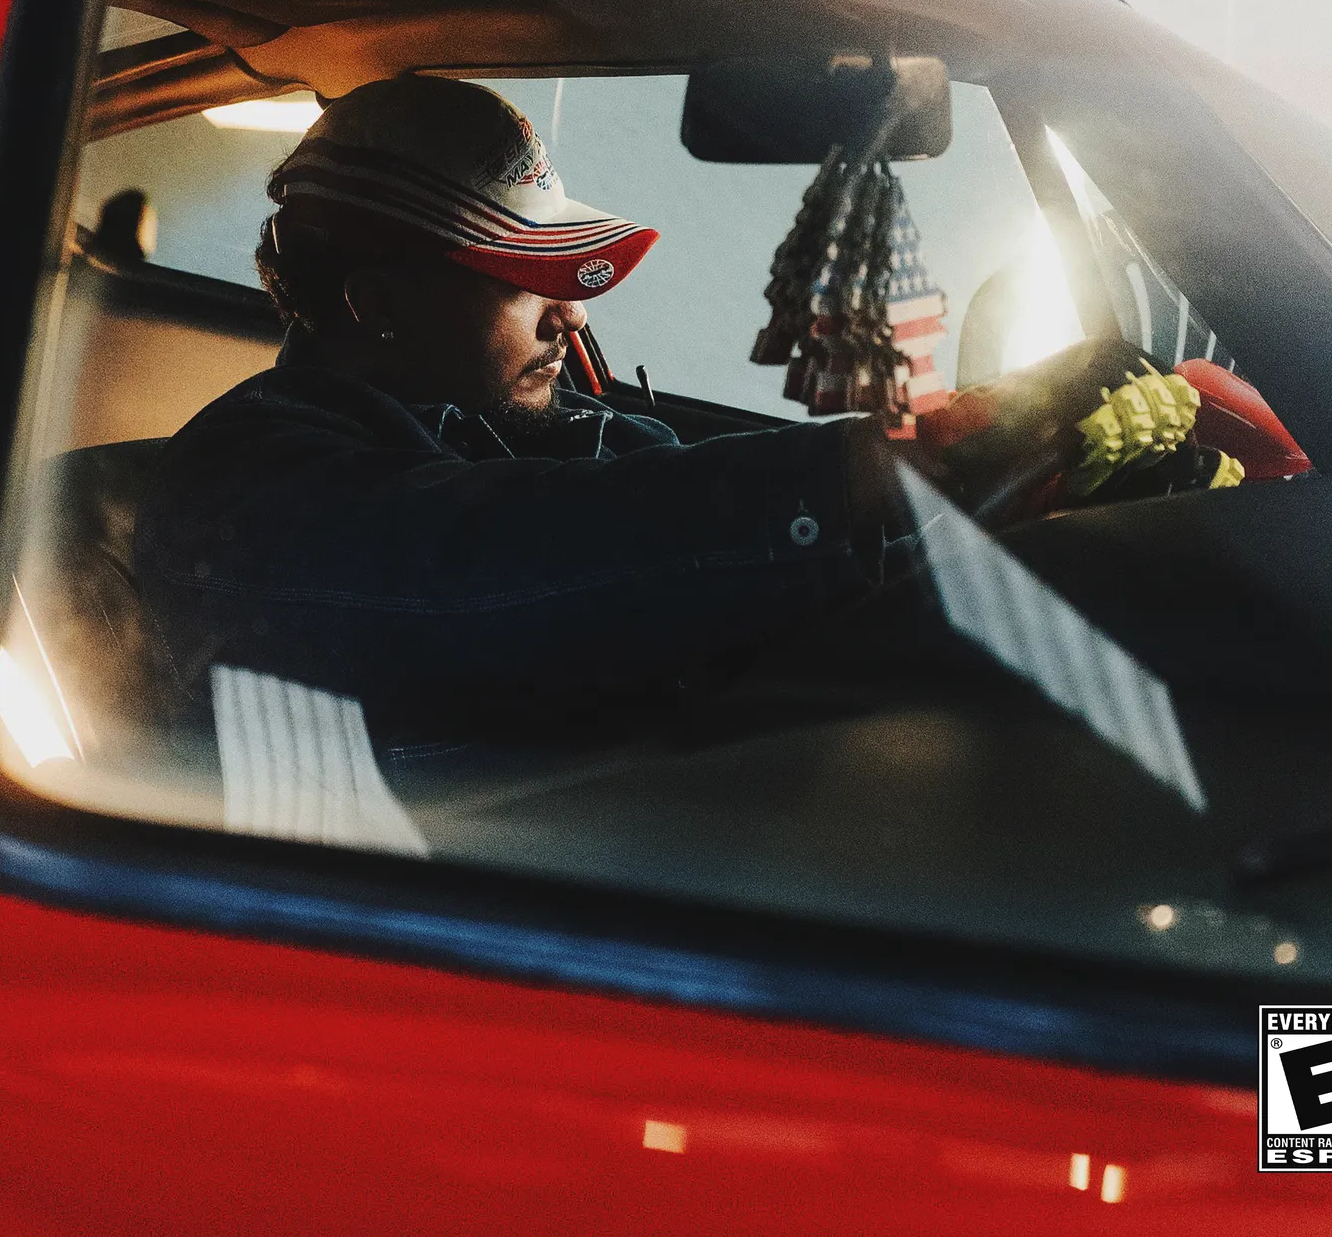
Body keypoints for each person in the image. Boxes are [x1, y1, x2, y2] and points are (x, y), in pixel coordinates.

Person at [134, 77, 911, 746]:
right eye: (524, 281)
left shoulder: (544, 425)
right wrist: (855, 473)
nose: (571, 314)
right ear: (380, 305)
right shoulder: (244, 489)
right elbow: (498, 562)